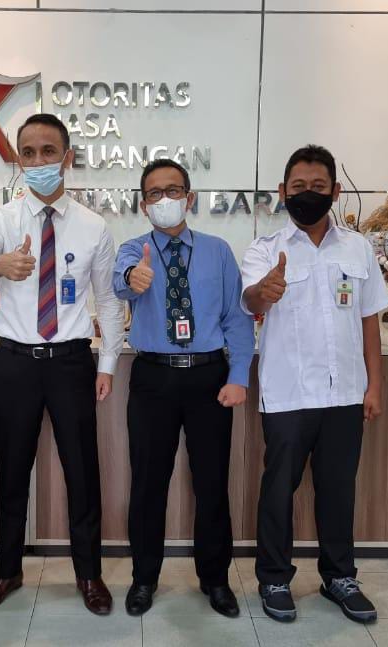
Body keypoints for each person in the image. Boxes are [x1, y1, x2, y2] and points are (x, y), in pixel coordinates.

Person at [0, 113, 125, 615]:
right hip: (15, 363)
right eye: (28, 152)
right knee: (12, 473)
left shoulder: (93, 226)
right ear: (18, 159)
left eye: (48, 151)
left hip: (71, 363)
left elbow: (108, 301)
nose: (38, 161)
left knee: (83, 472)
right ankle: (6, 572)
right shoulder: (2, 220)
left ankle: (89, 574)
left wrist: (107, 365)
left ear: (67, 157)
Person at [241, 145, 388, 624]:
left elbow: (369, 320)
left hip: (345, 392)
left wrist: (374, 386)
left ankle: (339, 577)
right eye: (299, 187)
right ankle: (274, 578)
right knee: (278, 490)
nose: (308, 194)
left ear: (335, 191)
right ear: (282, 192)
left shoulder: (357, 248)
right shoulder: (265, 248)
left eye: (318, 186)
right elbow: (250, 300)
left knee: (338, 490)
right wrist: (263, 291)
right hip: (288, 394)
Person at [113, 159, 255, 618]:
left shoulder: (218, 251)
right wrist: (133, 278)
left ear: (189, 198)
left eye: (173, 190)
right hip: (153, 378)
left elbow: (237, 318)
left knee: (212, 483)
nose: (164, 200)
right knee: (148, 483)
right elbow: (120, 283)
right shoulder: (133, 250)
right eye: (154, 193)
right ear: (143, 205)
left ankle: (215, 579)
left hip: (208, 377)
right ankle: (143, 578)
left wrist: (238, 376)